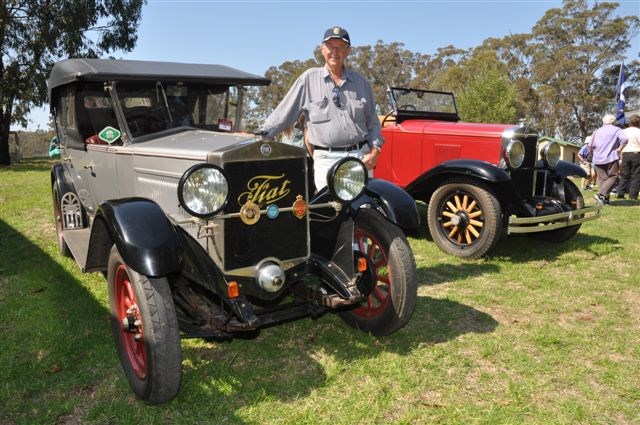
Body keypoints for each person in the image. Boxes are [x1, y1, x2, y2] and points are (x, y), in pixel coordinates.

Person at [262, 26, 383, 191]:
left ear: (348, 51)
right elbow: (284, 113)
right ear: (322, 49)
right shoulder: (308, 79)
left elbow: (373, 122)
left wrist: (375, 151)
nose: (335, 51)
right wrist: (261, 135)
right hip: (326, 160)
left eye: (340, 47)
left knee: (362, 209)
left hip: (360, 157)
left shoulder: (361, 83)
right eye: (330, 46)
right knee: (331, 211)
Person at [591, 113, 628, 204]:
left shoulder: (597, 131)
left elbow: (590, 145)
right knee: (613, 177)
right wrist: (619, 149)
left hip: (598, 158)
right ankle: (601, 194)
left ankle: (604, 200)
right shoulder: (616, 129)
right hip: (611, 156)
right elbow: (625, 139)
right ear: (614, 122)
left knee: (603, 179)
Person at [615, 114, 640, 200]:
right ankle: (633, 196)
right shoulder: (638, 131)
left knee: (624, 175)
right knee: (636, 175)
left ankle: (620, 193)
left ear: (630, 122)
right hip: (636, 154)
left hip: (625, 153)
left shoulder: (623, 131)